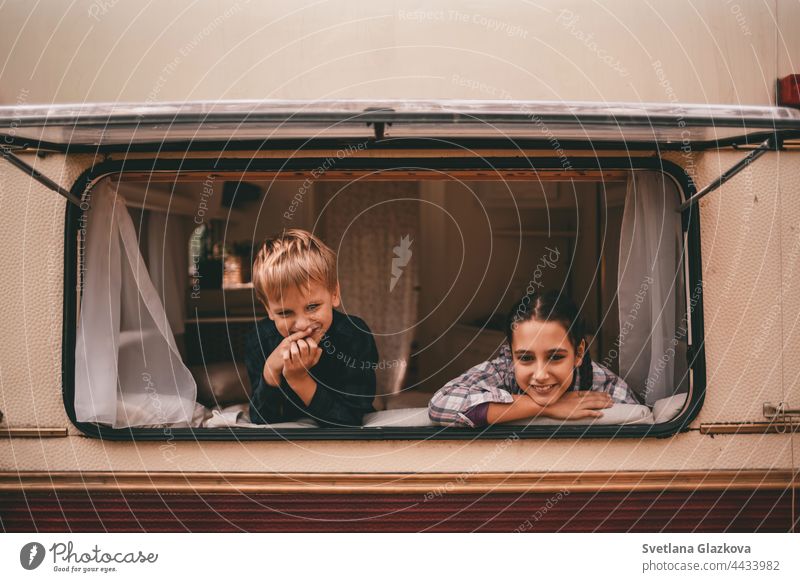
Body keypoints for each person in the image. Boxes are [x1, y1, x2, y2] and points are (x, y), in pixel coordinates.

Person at [428, 290, 638, 427]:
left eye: (555, 357)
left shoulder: (606, 388)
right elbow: (440, 405)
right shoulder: (501, 370)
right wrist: (547, 407)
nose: (541, 375)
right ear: (511, 355)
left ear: (579, 353)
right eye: (526, 358)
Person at [245, 229, 378, 427]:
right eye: (284, 312)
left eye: (312, 307)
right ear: (268, 310)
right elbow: (261, 419)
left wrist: (299, 379)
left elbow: (349, 419)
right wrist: (270, 373)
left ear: (334, 294)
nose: (302, 325)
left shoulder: (354, 336)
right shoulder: (260, 339)